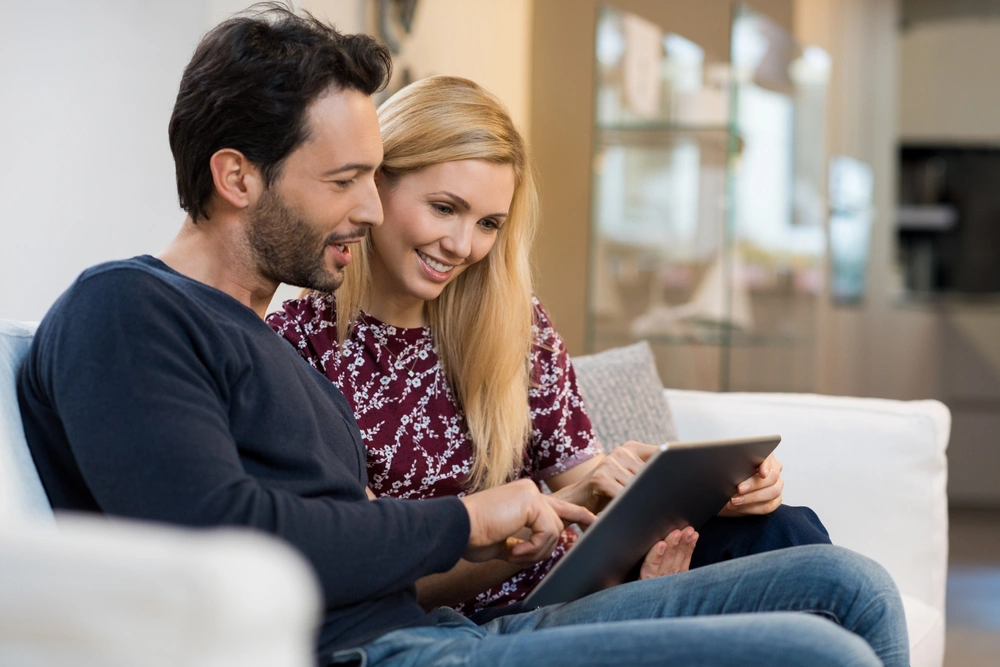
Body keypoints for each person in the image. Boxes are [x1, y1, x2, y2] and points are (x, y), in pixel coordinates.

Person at [17, 6, 908, 667]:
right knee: (812, 652)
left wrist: (516, 530)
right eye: (347, 181)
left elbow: (346, 527)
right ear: (238, 175)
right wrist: (468, 519)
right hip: (378, 653)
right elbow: (222, 539)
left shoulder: (260, 338)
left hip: (432, 626)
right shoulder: (127, 311)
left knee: (846, 585)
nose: (370, 209)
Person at [267, 75, 831, 616]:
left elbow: (585, 479)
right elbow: (372, 577)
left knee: (787, 529)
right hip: (470, 621)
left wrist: (707, 492)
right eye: (444, 207)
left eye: (488, 223)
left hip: (575, 584)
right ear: (375, 183)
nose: (463, 246)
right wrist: (585, 506)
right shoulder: (299, 344)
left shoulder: (511, 319)